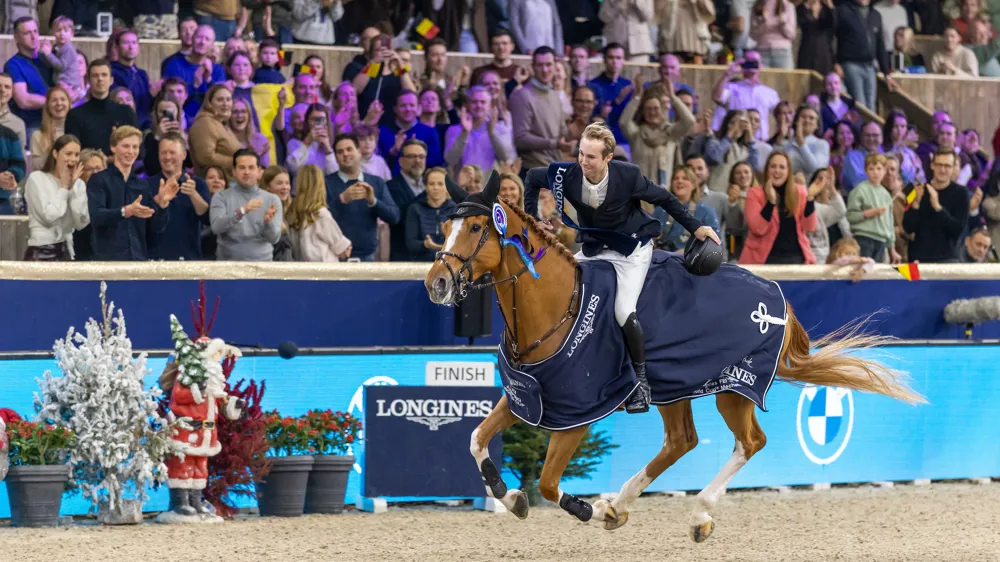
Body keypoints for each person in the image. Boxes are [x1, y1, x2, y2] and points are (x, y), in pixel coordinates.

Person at [524, 122, 720, 414]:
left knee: (622, 310)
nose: (583, 161)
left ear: (608, 158)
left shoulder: (628, 176)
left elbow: (665, 199)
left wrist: (696, 228)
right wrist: (532, 217)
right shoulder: (567, 172)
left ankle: (640, 383)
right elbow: (531, 177)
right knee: (560, 288)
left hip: (632, 250)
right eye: (581, 153)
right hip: (595, 248)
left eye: (591, 157)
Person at [87, 126, 180, 260]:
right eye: (126, 146)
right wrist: (126, 211)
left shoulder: (142, 184)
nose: (131, 151)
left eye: (135, 147)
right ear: (113, 147)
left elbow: (156, 228)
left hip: (138, 260)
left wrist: (162, 204)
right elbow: (96, 216)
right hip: (108, 261)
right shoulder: (99, 180)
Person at [23, 134, 89, 260]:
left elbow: (81, 223)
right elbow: (49, 217)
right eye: (68, 154)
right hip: (41, 250)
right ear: (55, 154)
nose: (73, 159)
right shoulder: (37, 178)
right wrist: (64, 188)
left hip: (66, 251)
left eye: (76, 155)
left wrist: (72, 188)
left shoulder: (78, 184)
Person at [209, 149, 283, 261]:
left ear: (259, 171)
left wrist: (268, 223)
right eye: (242, 167)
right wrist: (242, 211)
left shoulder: (272, 199)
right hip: (227, 266)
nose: (246, 172)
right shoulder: (221, 197)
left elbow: (274, 239)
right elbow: (216, 227)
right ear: (233, 171)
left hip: (262, 266)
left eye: (251, 167)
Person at [287, 163, 352, 262]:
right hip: (324, 271)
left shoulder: (292, 211)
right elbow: (342, 249)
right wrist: (346, 247)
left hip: (302, 269)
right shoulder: (320, 213)